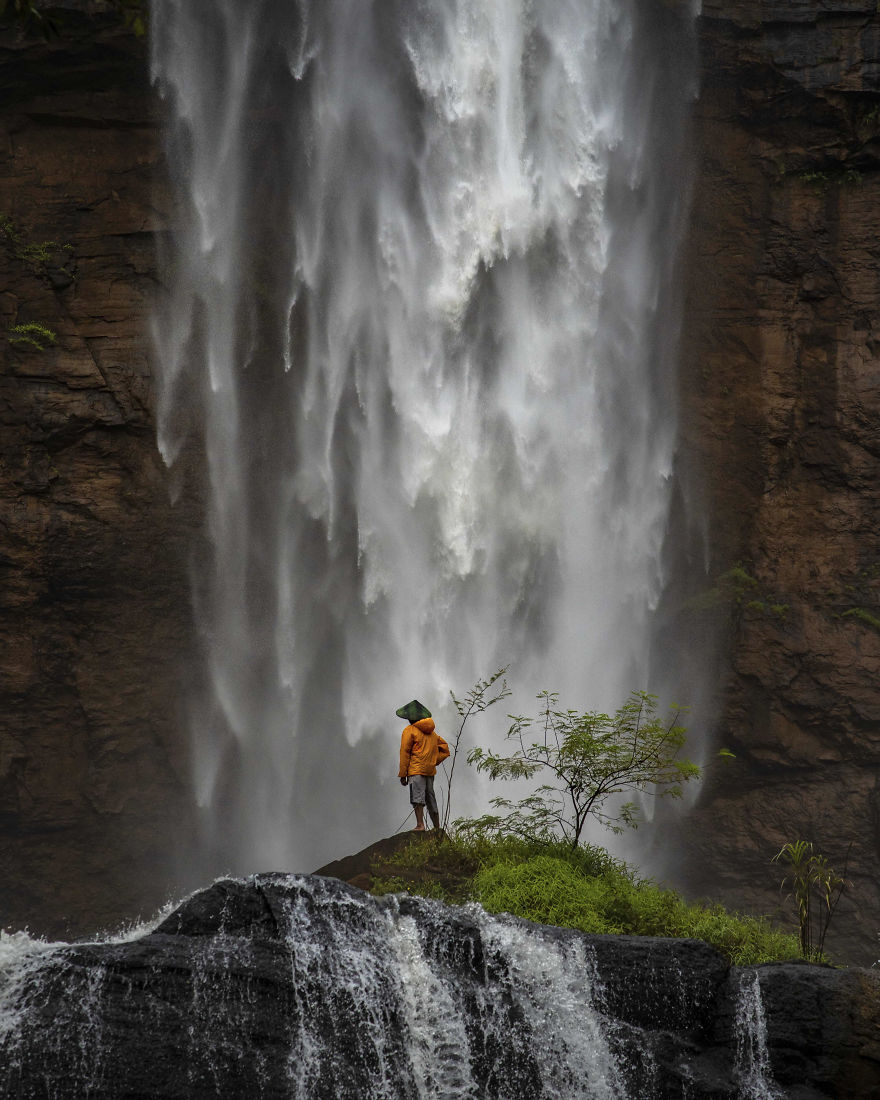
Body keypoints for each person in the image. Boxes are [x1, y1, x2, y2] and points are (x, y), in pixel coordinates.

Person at [396, 699, 449, 831]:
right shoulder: (432, 733)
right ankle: (437, 828)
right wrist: (433, 761)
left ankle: (420, 825)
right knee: (431, 798)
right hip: (429, 771)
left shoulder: (409, 730)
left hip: (416, 770)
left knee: (417, 798)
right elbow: (445, 749)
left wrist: (403, 774)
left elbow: (405, 752)